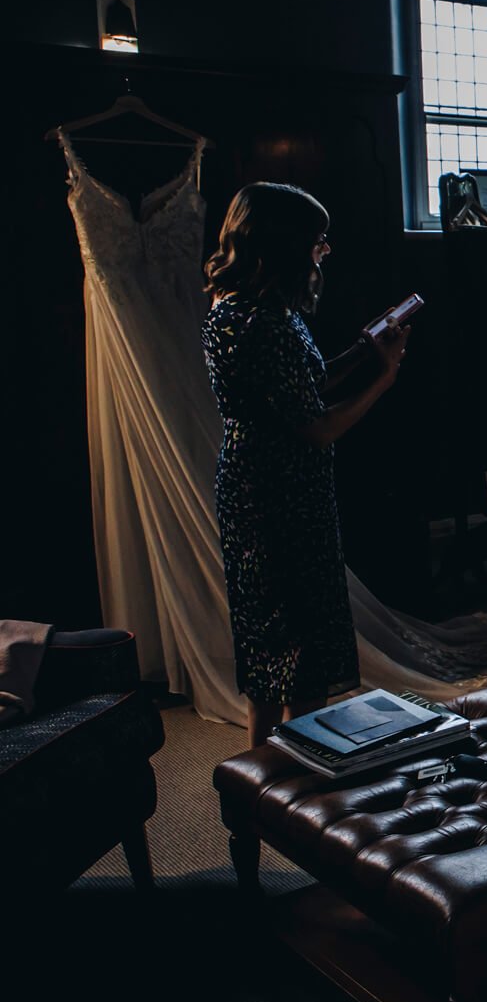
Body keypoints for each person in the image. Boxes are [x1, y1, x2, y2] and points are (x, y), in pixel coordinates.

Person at [202, 183, 412, 743]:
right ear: (287, 243)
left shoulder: (235, 307)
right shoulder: (266, 322)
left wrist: (365, 351)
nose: (325, 249)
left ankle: (260, 772)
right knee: (303, 647)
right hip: (282, 491)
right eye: (318, 239)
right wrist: (383, 379)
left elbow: (303, 385)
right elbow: (316, 427)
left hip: (247, 481)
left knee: (266, 641)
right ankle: (295, 781)